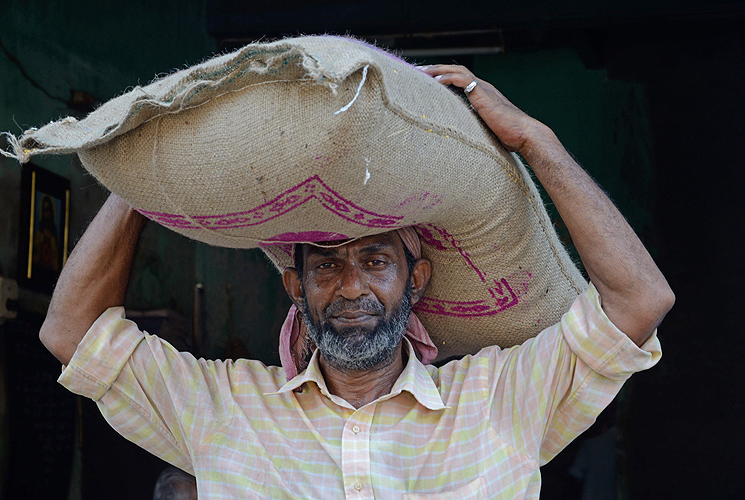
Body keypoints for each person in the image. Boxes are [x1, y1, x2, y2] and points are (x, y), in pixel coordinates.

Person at [39, 65, 674, 499]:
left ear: (416, 279)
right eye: (325, 265)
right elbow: (72, 332)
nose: (350, 289)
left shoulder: (499, 398)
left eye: (375, 261)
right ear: (296, 288)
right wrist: (147, 172)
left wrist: (537, 141)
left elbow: (640, 300)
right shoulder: (224, 407)